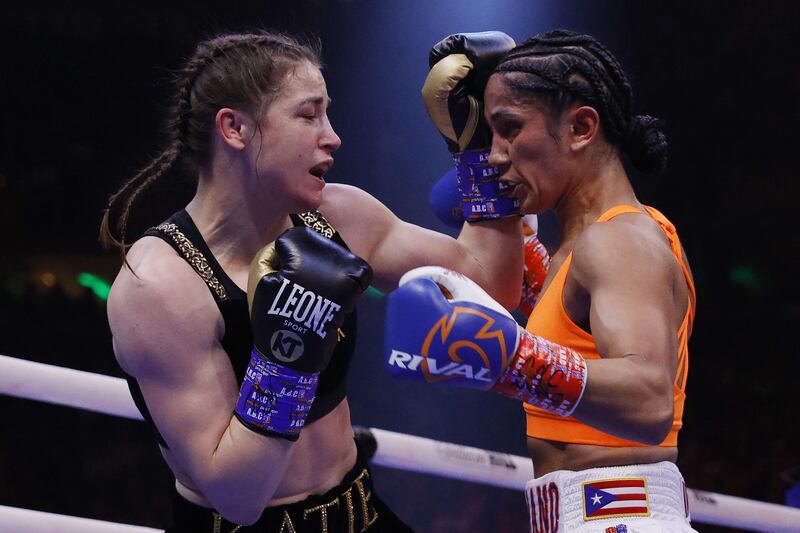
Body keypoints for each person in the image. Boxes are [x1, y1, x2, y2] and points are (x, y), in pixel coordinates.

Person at [101, 32, 525, 532]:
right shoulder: (160, 285)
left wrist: (479, 148)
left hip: (359, 510)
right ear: (234, 128)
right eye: (308, 115)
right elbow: (237, 497)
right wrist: (285, 358)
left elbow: (489, 287)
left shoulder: (339, 215)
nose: (332, 135)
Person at [385, 29, 697, 532]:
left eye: (508, 129)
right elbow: (517, 281)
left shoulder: (618, 241)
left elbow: (650, 398)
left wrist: (509, 359)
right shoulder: (588, 248)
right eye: (491, 135)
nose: (495, 153)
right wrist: (468, 155)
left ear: (580, 128)